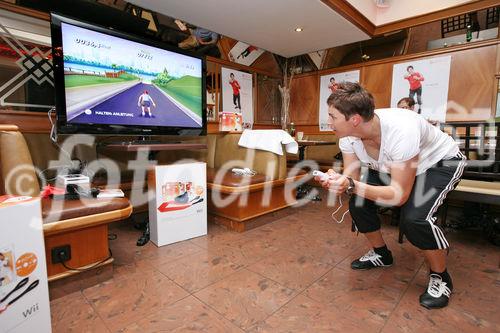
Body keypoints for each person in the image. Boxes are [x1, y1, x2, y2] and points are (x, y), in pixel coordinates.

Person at [315, 82, 466, 309]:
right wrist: (339, 181)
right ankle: (381, 254)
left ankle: (441, 276)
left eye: (332, 116)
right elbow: (351, 176)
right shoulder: (347, 135)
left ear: (354, 119)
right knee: (357, 203)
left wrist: (351, 184)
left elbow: (399, 195)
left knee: (415, 219)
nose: (329, 122)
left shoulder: (401, 130)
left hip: (439, 163)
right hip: (390, 166)